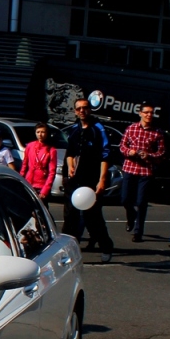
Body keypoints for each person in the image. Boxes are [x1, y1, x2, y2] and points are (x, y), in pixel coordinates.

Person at [63, 98, 114, 262]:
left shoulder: (98, 129)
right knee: (70, 218)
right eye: (79, 109)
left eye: (85, 108)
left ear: (89, 110)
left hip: (91, 181)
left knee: (93, 218)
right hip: (74, 181)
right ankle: (68, 252)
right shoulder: (74, 129)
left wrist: (102, 180)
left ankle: (106, 247)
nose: (82, 111)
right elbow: (70, 152)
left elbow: (105, 156)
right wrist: (70, 167)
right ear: (75, 111)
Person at [117, 102, 165, 243]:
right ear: (140, 113)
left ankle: (138, 232)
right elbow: (122, 146)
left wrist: (149, 155)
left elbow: (161, 152)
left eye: (151, 112)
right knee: (125, 198)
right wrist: (129, 151)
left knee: (142, 202)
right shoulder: (131, 128)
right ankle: (131, 215)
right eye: (146, 112)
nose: (149, 115)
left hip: (146, 170)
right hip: (130, 168)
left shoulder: (157, 132)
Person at [20, 122, 57, 201]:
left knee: (40, 211)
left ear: (47, 133)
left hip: (41, 186)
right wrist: (20, 180)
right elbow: (24, 165)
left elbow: (52, 172)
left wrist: (45, 190)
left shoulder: (51, 150)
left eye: (43, 132)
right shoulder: (30, 146)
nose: (40, 134)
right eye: (38, 132)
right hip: (28, 183)